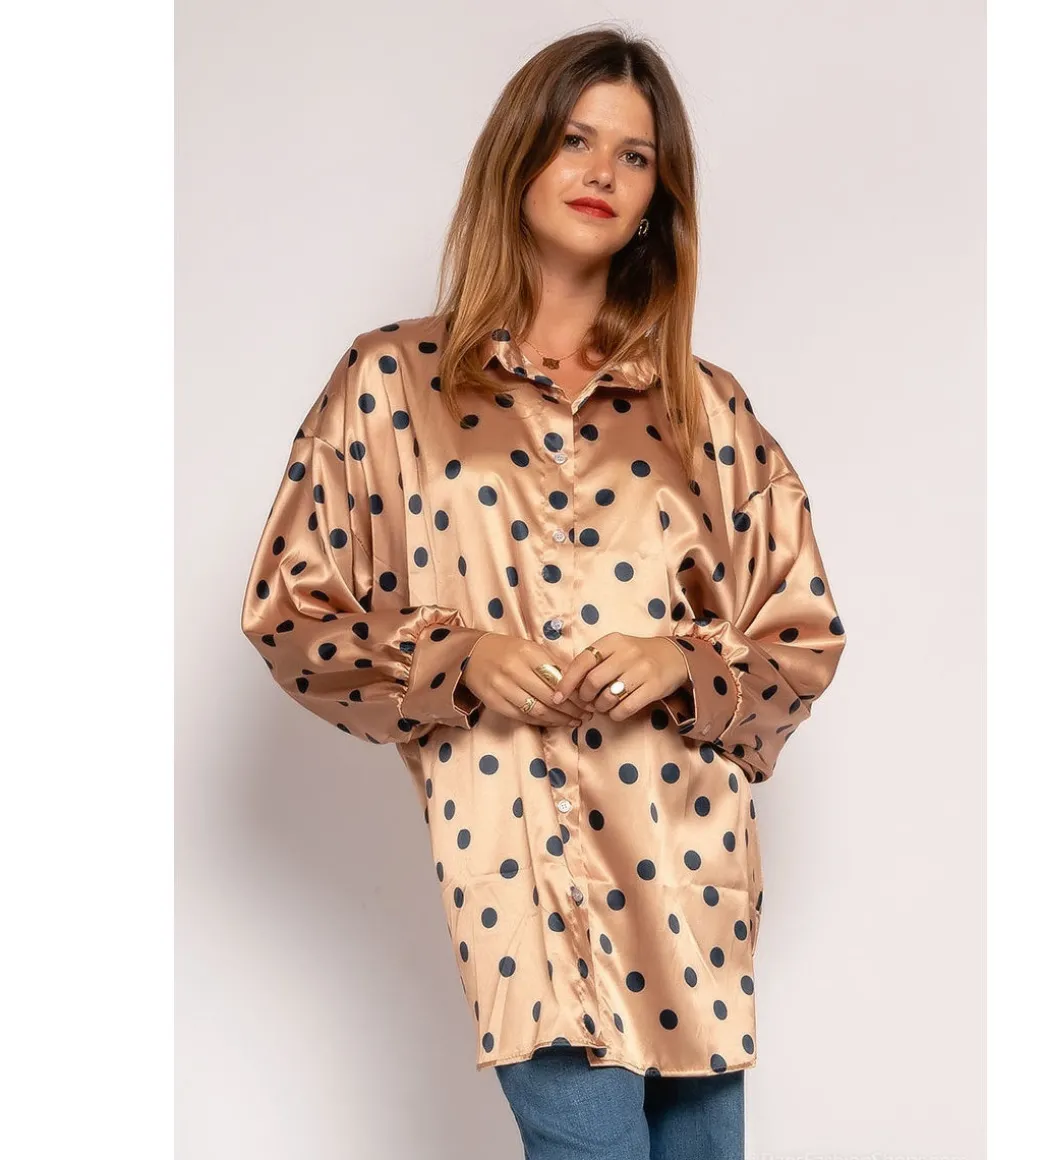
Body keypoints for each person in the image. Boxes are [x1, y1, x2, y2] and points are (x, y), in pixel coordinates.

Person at [239, 26, 847, 1160]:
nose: (601, 172)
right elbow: (290, 611)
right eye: (575, 140)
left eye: (634, 156)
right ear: (518, 155)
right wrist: (455, 658)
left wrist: (684, 663)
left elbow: (800, 634)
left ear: (658, 198)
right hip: (517, 864)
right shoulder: (391, 382)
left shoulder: (703, 406)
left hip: (687, 870)